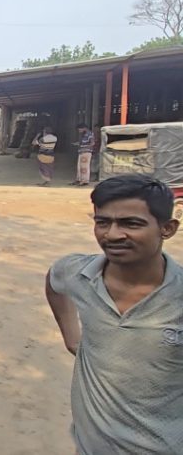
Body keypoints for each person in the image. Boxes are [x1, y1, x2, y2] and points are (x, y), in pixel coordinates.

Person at [45, 174, 182, 454]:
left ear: (167, 229)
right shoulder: (78, 273)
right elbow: (54, 281)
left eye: (131, 223)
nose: (112, 234)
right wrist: (73, 338)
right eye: (102, 222)